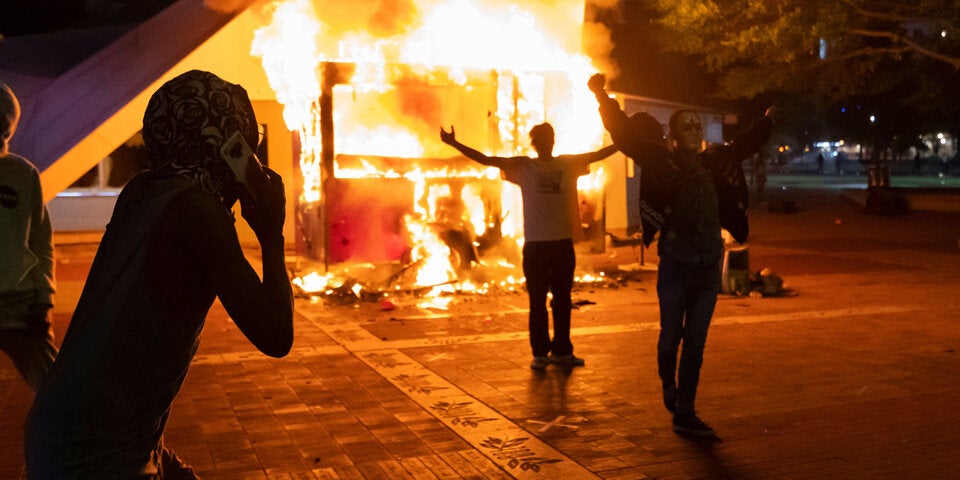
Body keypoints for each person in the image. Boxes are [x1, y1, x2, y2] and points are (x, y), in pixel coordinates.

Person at [25, 70, 294, 478]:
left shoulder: (143, 189)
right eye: (243, 141)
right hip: (97, 452)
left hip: (72, 427)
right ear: (220, 140)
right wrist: (272, 235)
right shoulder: (199, 214)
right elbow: (276, 335)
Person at [588, 73, 775, 437]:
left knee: (696, 344)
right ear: (673, 136)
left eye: (696, 126)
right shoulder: (660, 161)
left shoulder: (713, 162)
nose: (693, 131)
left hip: (707, 271)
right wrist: (601, 95)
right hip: (675, 268)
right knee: (670, 338)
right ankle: (668, 384)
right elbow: (623, 134)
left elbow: (746, 144)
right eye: (686, 127)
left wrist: (768, 120)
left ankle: (685, 411)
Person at [440, 123, 617, 370]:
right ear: (539, 143)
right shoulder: (536, 165)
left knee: (552, 301)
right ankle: (550, 353)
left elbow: (599, 154)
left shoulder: (551, 164)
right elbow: (488, 159)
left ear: (548, 142)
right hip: (546, 246)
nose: (546, 143)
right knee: (549, 301)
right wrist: (455, 144)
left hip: (549, 245)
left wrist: (626, 140)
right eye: (543, 139)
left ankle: (554, 353)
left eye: (547, 139)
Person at [0, 82, 59, 392]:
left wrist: (44, 300)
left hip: (20, 308)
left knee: (58, 391)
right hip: (23, 305)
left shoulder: (23, 174)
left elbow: (40, 242)